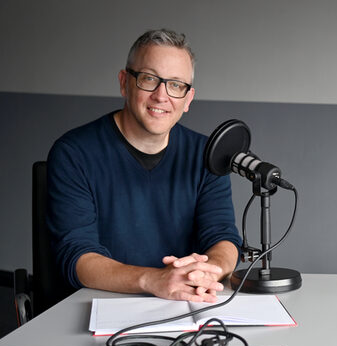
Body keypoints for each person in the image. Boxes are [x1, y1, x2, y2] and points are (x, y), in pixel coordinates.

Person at [47, 29, 241, 303]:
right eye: (149, 79)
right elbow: (77, 255)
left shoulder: (207, 154)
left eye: (176, 85)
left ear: (188, 99)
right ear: (124, 82)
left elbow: (223, 237)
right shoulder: (74, 153)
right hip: (98, 305)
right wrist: (154, 280)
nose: (162, 96)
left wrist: (210, 272)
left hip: (185, 304)